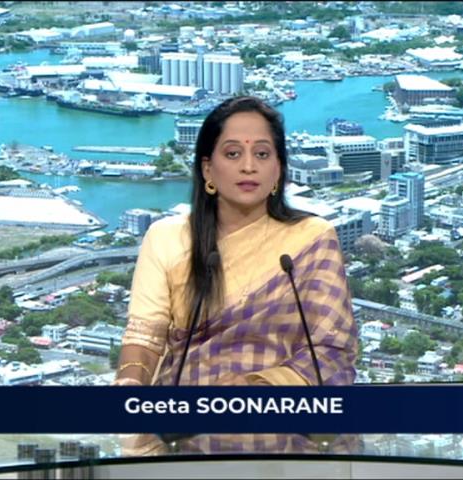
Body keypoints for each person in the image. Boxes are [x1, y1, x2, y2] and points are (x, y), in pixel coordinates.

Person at [114, 96, 358, 390]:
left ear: (278, 169)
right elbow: (145, 336)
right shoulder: (165, 237)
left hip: (283, 411)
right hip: (181, 411)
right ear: (207, 169)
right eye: (232, 154)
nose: (248, 166)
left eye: (262, 154)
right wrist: (130, 380)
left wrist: (252, 391)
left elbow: (332, 350)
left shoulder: (312, 238)